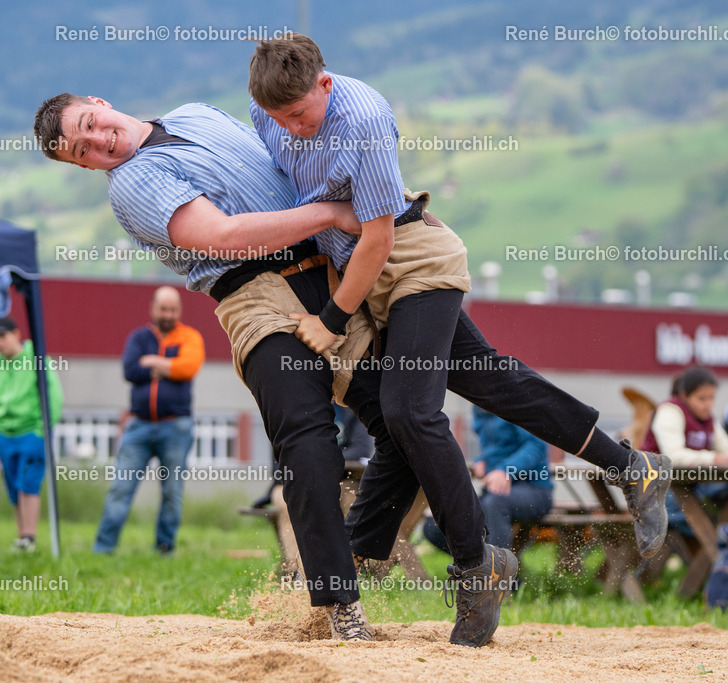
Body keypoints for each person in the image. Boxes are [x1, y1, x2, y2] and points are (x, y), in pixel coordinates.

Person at [244, 34, 670, 646]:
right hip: (364, 273)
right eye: (279, 118)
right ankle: (631, 467)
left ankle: (476, 567)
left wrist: (332, 319)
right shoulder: (269, 106)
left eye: (299, 114)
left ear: (325, 84)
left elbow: (379, 240)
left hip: (410, 263)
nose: (291, 128)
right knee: (494, 382)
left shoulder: (364, 120)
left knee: (408, 412)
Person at [34, 93, 398, 641]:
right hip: (253, 294)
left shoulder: (196, 114)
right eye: (82, 151)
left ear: (99, 102)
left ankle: (356, 551)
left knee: (405, 420)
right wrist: (331, 212)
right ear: (84, 167)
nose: (98, 142)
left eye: (91, 124)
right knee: (306, 440)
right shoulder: (132, 182)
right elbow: (224, 237)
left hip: (328, 277)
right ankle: (340, 604)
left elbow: (283, 163)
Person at [93, 286, 205, 556]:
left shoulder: (190, 337)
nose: (168, 315)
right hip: (138, 426)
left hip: (176, 427)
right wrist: (168, 366)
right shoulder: (139, 337)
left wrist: (153, 362)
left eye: (173, 310)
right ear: (153, 308)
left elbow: (188, 367)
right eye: (163, 309)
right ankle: (103, 548)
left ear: (179, 310)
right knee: (121, 488)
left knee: (171, 492)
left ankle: (164, 548)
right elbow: (130, 370)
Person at [0, 316, 63, 552]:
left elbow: (54, 397)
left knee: (29, 484)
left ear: (16, 334)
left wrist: (41, 431)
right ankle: (22, 537)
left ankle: (30, 537)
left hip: (32, 434)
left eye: (2, 337)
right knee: (14, 487)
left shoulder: (37, 358)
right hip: (5, 437)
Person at [423, 407, 553, 553]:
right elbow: (495, 446)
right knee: (434, 527)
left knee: (495, 504)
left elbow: (536, 446)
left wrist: (505, 470)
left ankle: (499, 566)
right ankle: (476, 562)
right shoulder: (479, 407)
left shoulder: (517, 402)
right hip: (492, 493)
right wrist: (483, 460)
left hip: (534, 490)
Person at [640, 366, 728, 467]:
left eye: (711, 398)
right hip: (654, 475)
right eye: (702, 398)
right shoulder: (669, 412)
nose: (708, 404)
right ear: (684, 396)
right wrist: (714, 459)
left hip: (689, 477)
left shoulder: (708, 419)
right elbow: (673, 457)